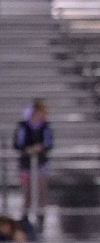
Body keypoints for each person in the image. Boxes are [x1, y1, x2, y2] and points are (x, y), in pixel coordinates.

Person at [13, 99, 53, 234]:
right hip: (26, 165)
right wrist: (28, 149)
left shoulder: (45, 126)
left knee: (42, 194)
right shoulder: (24, 126)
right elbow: (18, 144)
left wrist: (40, 148)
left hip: (41, 164)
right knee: (28, 194)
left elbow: (49, 143)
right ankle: (24, 224)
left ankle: (40, 223)